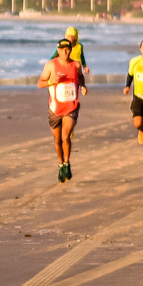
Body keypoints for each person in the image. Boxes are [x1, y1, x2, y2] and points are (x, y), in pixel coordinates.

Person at [38, 37, 85, 182]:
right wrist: (51, 81)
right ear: (58, 51)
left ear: (70, 50)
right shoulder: (51, 65)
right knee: (57, 139)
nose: (65, 52)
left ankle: (67, 162)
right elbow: (40, 83)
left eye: (68, 49)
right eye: (62, 49)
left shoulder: (76, 65)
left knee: (66, 136)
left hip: (71, 107)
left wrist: (83, 86)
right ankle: (60, 164)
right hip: (55, 109)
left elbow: (81, 77)